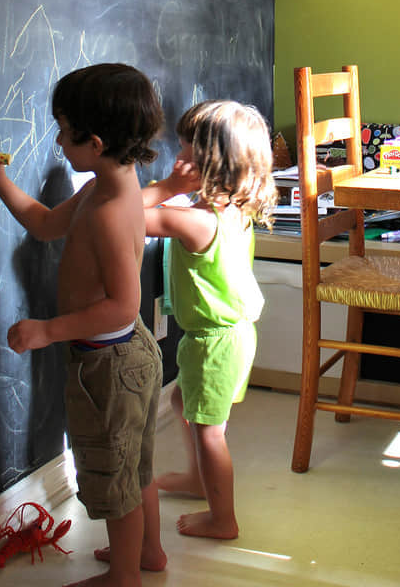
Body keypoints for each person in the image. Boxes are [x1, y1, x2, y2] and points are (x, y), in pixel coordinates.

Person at [0, 63, 165, 587]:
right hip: (127, 355)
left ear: (96, 141)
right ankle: (148, 553)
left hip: (108, 361)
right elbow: (44, 223)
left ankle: (124, 576)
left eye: (63, 129)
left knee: (114, 480)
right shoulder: (107, 182)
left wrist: (47, 330)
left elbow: (124, 305)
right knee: (133, 465)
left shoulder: (107, 209)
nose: (56, 140)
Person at [141, 100, 277, 540]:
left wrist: (163, 186)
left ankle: (224, 520)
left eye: (184, 153)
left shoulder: (197, 221)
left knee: (209, 433)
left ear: (209, 165)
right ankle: (200, 481)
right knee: (184, 403)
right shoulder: (234, 208)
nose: (175, 160)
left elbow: (128, 218)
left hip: (214, 342)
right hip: (229, 336)